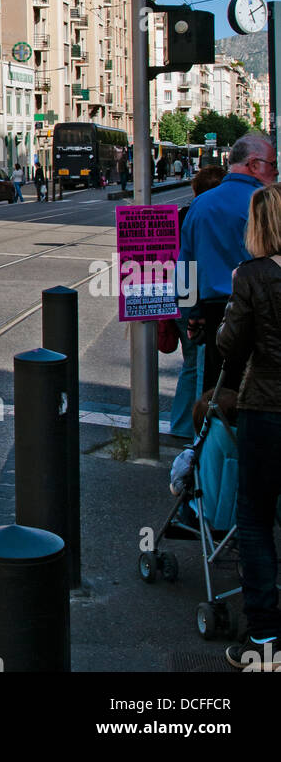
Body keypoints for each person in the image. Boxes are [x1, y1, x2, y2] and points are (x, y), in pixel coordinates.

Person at [217, 183, 281, 667]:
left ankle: (264, 638)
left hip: (266, 409)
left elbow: (232, 346)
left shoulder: (253, 277)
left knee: (255, 520)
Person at [178, 133, 278, 394]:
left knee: (218, 393)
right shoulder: (265, 202)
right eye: (272, 164)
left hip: (214, 314)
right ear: (254, 165)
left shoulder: (200, 204)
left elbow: (185, 266)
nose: (276, 172)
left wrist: (194, 313)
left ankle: (216, 434)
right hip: (262, 312)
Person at [168, 166, 225, 438]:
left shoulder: (182, 215)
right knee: (201, 362)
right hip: (199, 298)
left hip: (182, 294)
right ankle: (199, 430)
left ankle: (180, 425)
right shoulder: (211, 217)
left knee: (191, 362)